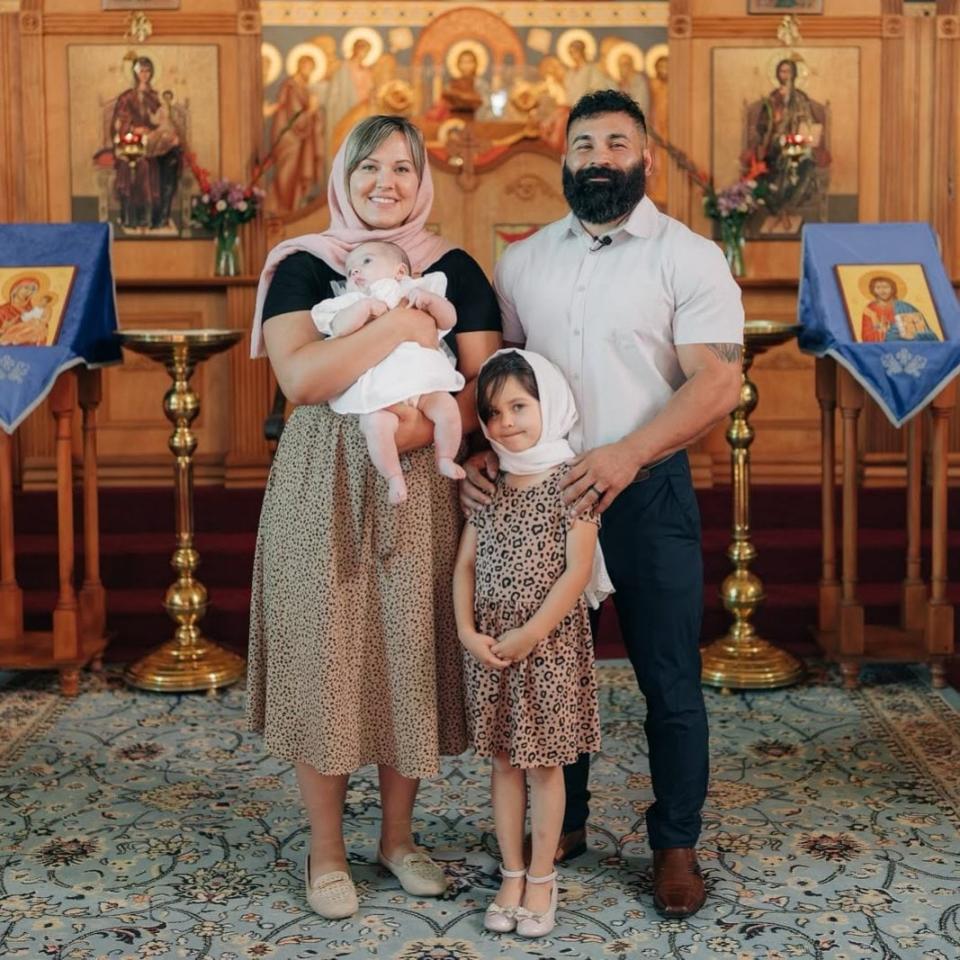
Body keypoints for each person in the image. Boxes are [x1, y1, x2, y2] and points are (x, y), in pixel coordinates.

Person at [460, 89, 744, 919]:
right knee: (553, 669)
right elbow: (497, 380)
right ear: (565, 160)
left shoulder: (686, 257)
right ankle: (567, 822)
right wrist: (484, 452)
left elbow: (719, 380)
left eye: (616, 142)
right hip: (541, 499)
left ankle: (675, 843)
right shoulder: (523, 260)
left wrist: (627, 453)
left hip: (645, 485)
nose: (597, 157)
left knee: (667, 675)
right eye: (582, 144)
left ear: (644, 158)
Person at [246, 114, 501, 920]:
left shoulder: (456, 266)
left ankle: (397, 839)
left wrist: (417, 427)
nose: (384, 183)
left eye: (401, 168)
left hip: (422, 481)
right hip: (320, 485)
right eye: (368, 168)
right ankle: (326, 853)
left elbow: (480, 385)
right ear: (344, 178)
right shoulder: (303, 265)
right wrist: (398, 323)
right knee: (327, 653)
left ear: (422, 179)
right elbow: (303, 378)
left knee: (407, 651)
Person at [454, 348, 601, 939]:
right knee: (504, 762)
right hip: (491, 648)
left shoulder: (572, 482)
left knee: (543, 766)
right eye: (492, 414)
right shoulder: (492, 484)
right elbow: (464, 565)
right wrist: (467, 632)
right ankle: (510, 871)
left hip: (548, 648)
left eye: (519, 405)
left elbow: (577, 572)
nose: (505, 422)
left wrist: (532, 633)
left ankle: (542, 876)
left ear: (551, 404)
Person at [309, 239, 466, 504]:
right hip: (378, 391)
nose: (356, 271)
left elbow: (449, 319)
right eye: (349, 271)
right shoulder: (348, 302)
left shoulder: (417, 289)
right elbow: (339, 329)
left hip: (423, 384)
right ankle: (393, 476)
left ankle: (445, 457)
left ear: (401, 271)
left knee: (449, 409)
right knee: (376, 425)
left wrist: (430, 302)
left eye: (366, 262)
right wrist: (362, 308)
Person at [267, 54, 325, 215]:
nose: (309, 71)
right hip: (289, 138)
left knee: (298, 174)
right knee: (288, 172)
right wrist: (312, 110)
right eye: (307, 67)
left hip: (301, 139)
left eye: (312, 68)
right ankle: (285, 208)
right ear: (299, 66)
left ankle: (295, 206)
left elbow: (309, 116)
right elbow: (294, 116)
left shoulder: (304, 87)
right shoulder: (291, 86)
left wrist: (316, 113)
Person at [860, 274, 937, 343]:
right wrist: (874, 317)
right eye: (878, 287)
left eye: (886, 287)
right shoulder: (870, 309)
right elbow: (867, 337)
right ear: (873, 290)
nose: (882, 291)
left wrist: (890, 330)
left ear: (892, 289)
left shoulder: (905, 307)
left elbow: (922, 331)